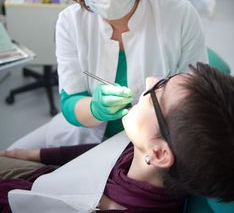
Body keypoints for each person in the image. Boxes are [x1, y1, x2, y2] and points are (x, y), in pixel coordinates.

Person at [8, 0, 207, 151]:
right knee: (10, 158)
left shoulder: (179, 16)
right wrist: (94, 108)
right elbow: (70, 102)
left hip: (151, 146)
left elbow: (196, 100)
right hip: (82, 138)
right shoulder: (70, 22)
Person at [1, 63, 234, 213]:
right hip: (51, 177)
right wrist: (35, 155)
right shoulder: (147, 155)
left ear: (159, 153)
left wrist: (86, 199)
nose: (151, 79)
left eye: (160, 90)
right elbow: (98, 156)